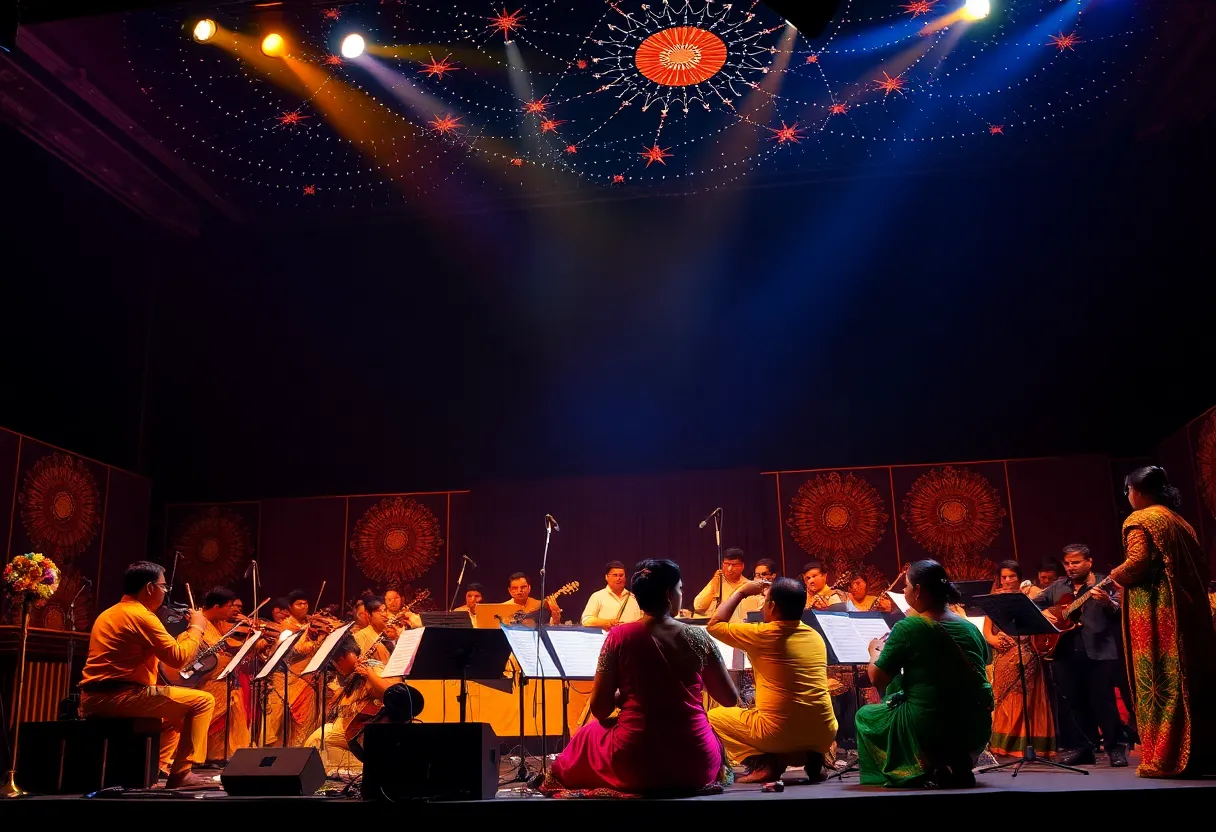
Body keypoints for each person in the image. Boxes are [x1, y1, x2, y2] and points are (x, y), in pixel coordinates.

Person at [541, 560, 739, 797]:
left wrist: (622, 695)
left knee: (588, 734)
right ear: (668, 594)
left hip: (635, 762)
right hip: (694, 762)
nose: (680, 594)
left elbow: (600, 709)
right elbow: (729, 699)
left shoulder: (619, 637)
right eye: (680, 589)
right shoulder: (698, 637)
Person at [1112, 466, 1216, 778]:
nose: (1129, 497)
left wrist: (1116, 575)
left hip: (1156, 613)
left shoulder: (1140, 518)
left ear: (1138, 491)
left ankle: (1165, 756)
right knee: (1189, 678)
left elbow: (1138, 562)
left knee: (1158, 678)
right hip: (1186, 615)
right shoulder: (1180, 522)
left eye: (1129, 490)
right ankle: (1197, 753)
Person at [78, 561, 216, 789]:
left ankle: (158, 768)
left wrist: (186, 633)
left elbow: (169, 652)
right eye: (164, 587)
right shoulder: (141, 616)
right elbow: (179, 658)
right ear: (150, 588)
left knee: (176, 718)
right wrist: (197, 627)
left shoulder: (111, 612)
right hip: (120, 697)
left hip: (95, 698)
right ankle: (181, 774)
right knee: (203, 701)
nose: (165, 593)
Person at [855, 559, 993, 788]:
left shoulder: (909, 627)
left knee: (867, 716)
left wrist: (874, 651)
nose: (904, 591)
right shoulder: (969, 627)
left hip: (928, 723)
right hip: (974, 724)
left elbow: (877, 678)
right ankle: (953, 761)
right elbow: (983, 661)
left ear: (918, 590)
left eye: (906, 586)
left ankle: (920, 767)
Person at [706, 577, 838, 783]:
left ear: (773, 606)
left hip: (778, 733)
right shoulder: (814, 636)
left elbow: (714, 625)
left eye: (765, 600)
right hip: (824, 733)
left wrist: (742, 592)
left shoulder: (763, 634)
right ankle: (815, 760)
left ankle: (762, 764)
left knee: (713, 717)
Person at [1034, 544, 1127, 767]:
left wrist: (1108, 603)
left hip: (1098, 651)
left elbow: (1120, 613)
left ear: (1089, 562)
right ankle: (1083, 748)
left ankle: (1115, 748)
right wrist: (1044, 612)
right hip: (1064, 652)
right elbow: (1032, 606)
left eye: (1075, 563)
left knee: (1103, 702)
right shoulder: (1058, 586)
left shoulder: (1105, 582)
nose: (1070, 567)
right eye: (1067, 563)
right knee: (1074, 703)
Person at [983, 561, 1055, 759]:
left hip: (1027, 652)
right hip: (1004, 654)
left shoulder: (1031, 597)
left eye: (1011, 576)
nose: (1007, 581)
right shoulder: (994, 599)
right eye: (1004, 577)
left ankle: (1028, 745)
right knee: (1004, 698)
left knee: (1026, 698)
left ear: (1020, 577)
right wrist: (995, 640)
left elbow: (1040, 625)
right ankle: (1004, 744)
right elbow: (987, 631)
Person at [306, 636, 398, 772]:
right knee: (318, 737)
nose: (337, 666)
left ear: (347, 655)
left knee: (318, 739)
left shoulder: (373, 667)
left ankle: (364, 771)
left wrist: (369, 674)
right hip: (349, 725)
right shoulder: (351, 675)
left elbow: (391, 692)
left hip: (364, 728)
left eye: (337, 661)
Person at [196, 587, 252, 763]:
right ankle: (196, 758)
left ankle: (221, 757)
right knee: (205, 722)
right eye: (229, 607)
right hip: (206, 681)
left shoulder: (218, 623)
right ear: (216, 607)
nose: (232, 611)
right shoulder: (199, 622)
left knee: (234, 718)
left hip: (224, 679)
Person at [261, 589, 321, 747]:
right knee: (278, 718)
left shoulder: (308, 625)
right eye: (299, 604)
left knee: (305, 720)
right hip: (286, 677)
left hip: (307, 677)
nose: (303, 606)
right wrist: (320, 639)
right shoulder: (286, 627)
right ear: (290, 607)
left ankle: (299, 751)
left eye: (306, 603)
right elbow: (297, 651)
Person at [581, 561, 642, 631]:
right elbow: (586, 620)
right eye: (615, 575)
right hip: (606, 639)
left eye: (621, 575)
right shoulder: (597, 596)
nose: (619, 578)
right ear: (607, 577)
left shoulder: (633, 597)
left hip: (632, 639)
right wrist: (607, 622)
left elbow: (642, 619)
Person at [693, 548, 749, 619]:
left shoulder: (748, 585)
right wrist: (714, 587)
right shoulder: (717, 581)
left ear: (742, 566)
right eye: (726, 564)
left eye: (734, 565)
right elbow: (699, 607)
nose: (729, 569)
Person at [354, 597, 399, 664]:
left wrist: (396, 639)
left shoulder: (390, 633)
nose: (384, 615)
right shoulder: (360, 636)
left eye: (385, 610)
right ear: (368, 615)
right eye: (380, 611)